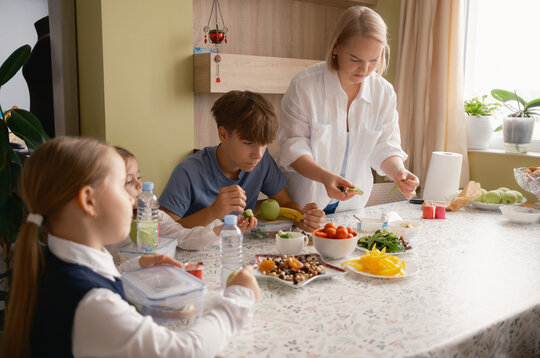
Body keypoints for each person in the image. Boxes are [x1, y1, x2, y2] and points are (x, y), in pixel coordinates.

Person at [2, 137, 259, 358]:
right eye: (122, 186)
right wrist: (238, 298)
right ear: (89, 201)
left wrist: (132, 268)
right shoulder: (91, 303)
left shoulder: (56, 262)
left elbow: (93, 280)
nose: (134, 197)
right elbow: (184, 351)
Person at [278, 6, 419, 214]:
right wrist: (325, 177)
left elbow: (385, 146)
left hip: (352, 209)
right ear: (336, 47)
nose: (364, 70)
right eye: (355, 59)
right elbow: (293, 148)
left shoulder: (384, 92)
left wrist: (399, 171)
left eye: (373, 60)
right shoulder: (305, 85)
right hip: (305, 208)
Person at [159, 91, 325, 232]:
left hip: (233, 250)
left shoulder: (262, 162)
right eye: (247, 143)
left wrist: (303, 217)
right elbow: (162, 230)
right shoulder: (188, 172)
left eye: (263, 143)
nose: (258, 154)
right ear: (223, 134)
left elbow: (286, 202)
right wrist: (213, 212)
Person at [113, 146, 253, 252]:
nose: (139, 185)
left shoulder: (155, 217)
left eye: (139, 177)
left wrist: (222, 229)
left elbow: (184, 237)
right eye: (129, 181)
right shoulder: (103, 227)